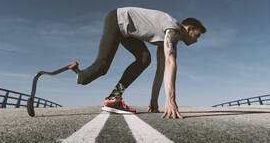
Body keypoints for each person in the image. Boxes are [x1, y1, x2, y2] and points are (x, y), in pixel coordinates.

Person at [70, 7, 206, 119]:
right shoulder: (173, 29)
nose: (197, 40)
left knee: (144, 59)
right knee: (102, 66)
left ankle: (114, 98)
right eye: (197, 35)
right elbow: (171, 63)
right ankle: (79, 74)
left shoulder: (171, 37)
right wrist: (171, 100)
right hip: (116, 20)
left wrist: (154, 101)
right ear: (189, 29)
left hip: (127, 32)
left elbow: (161, 70)